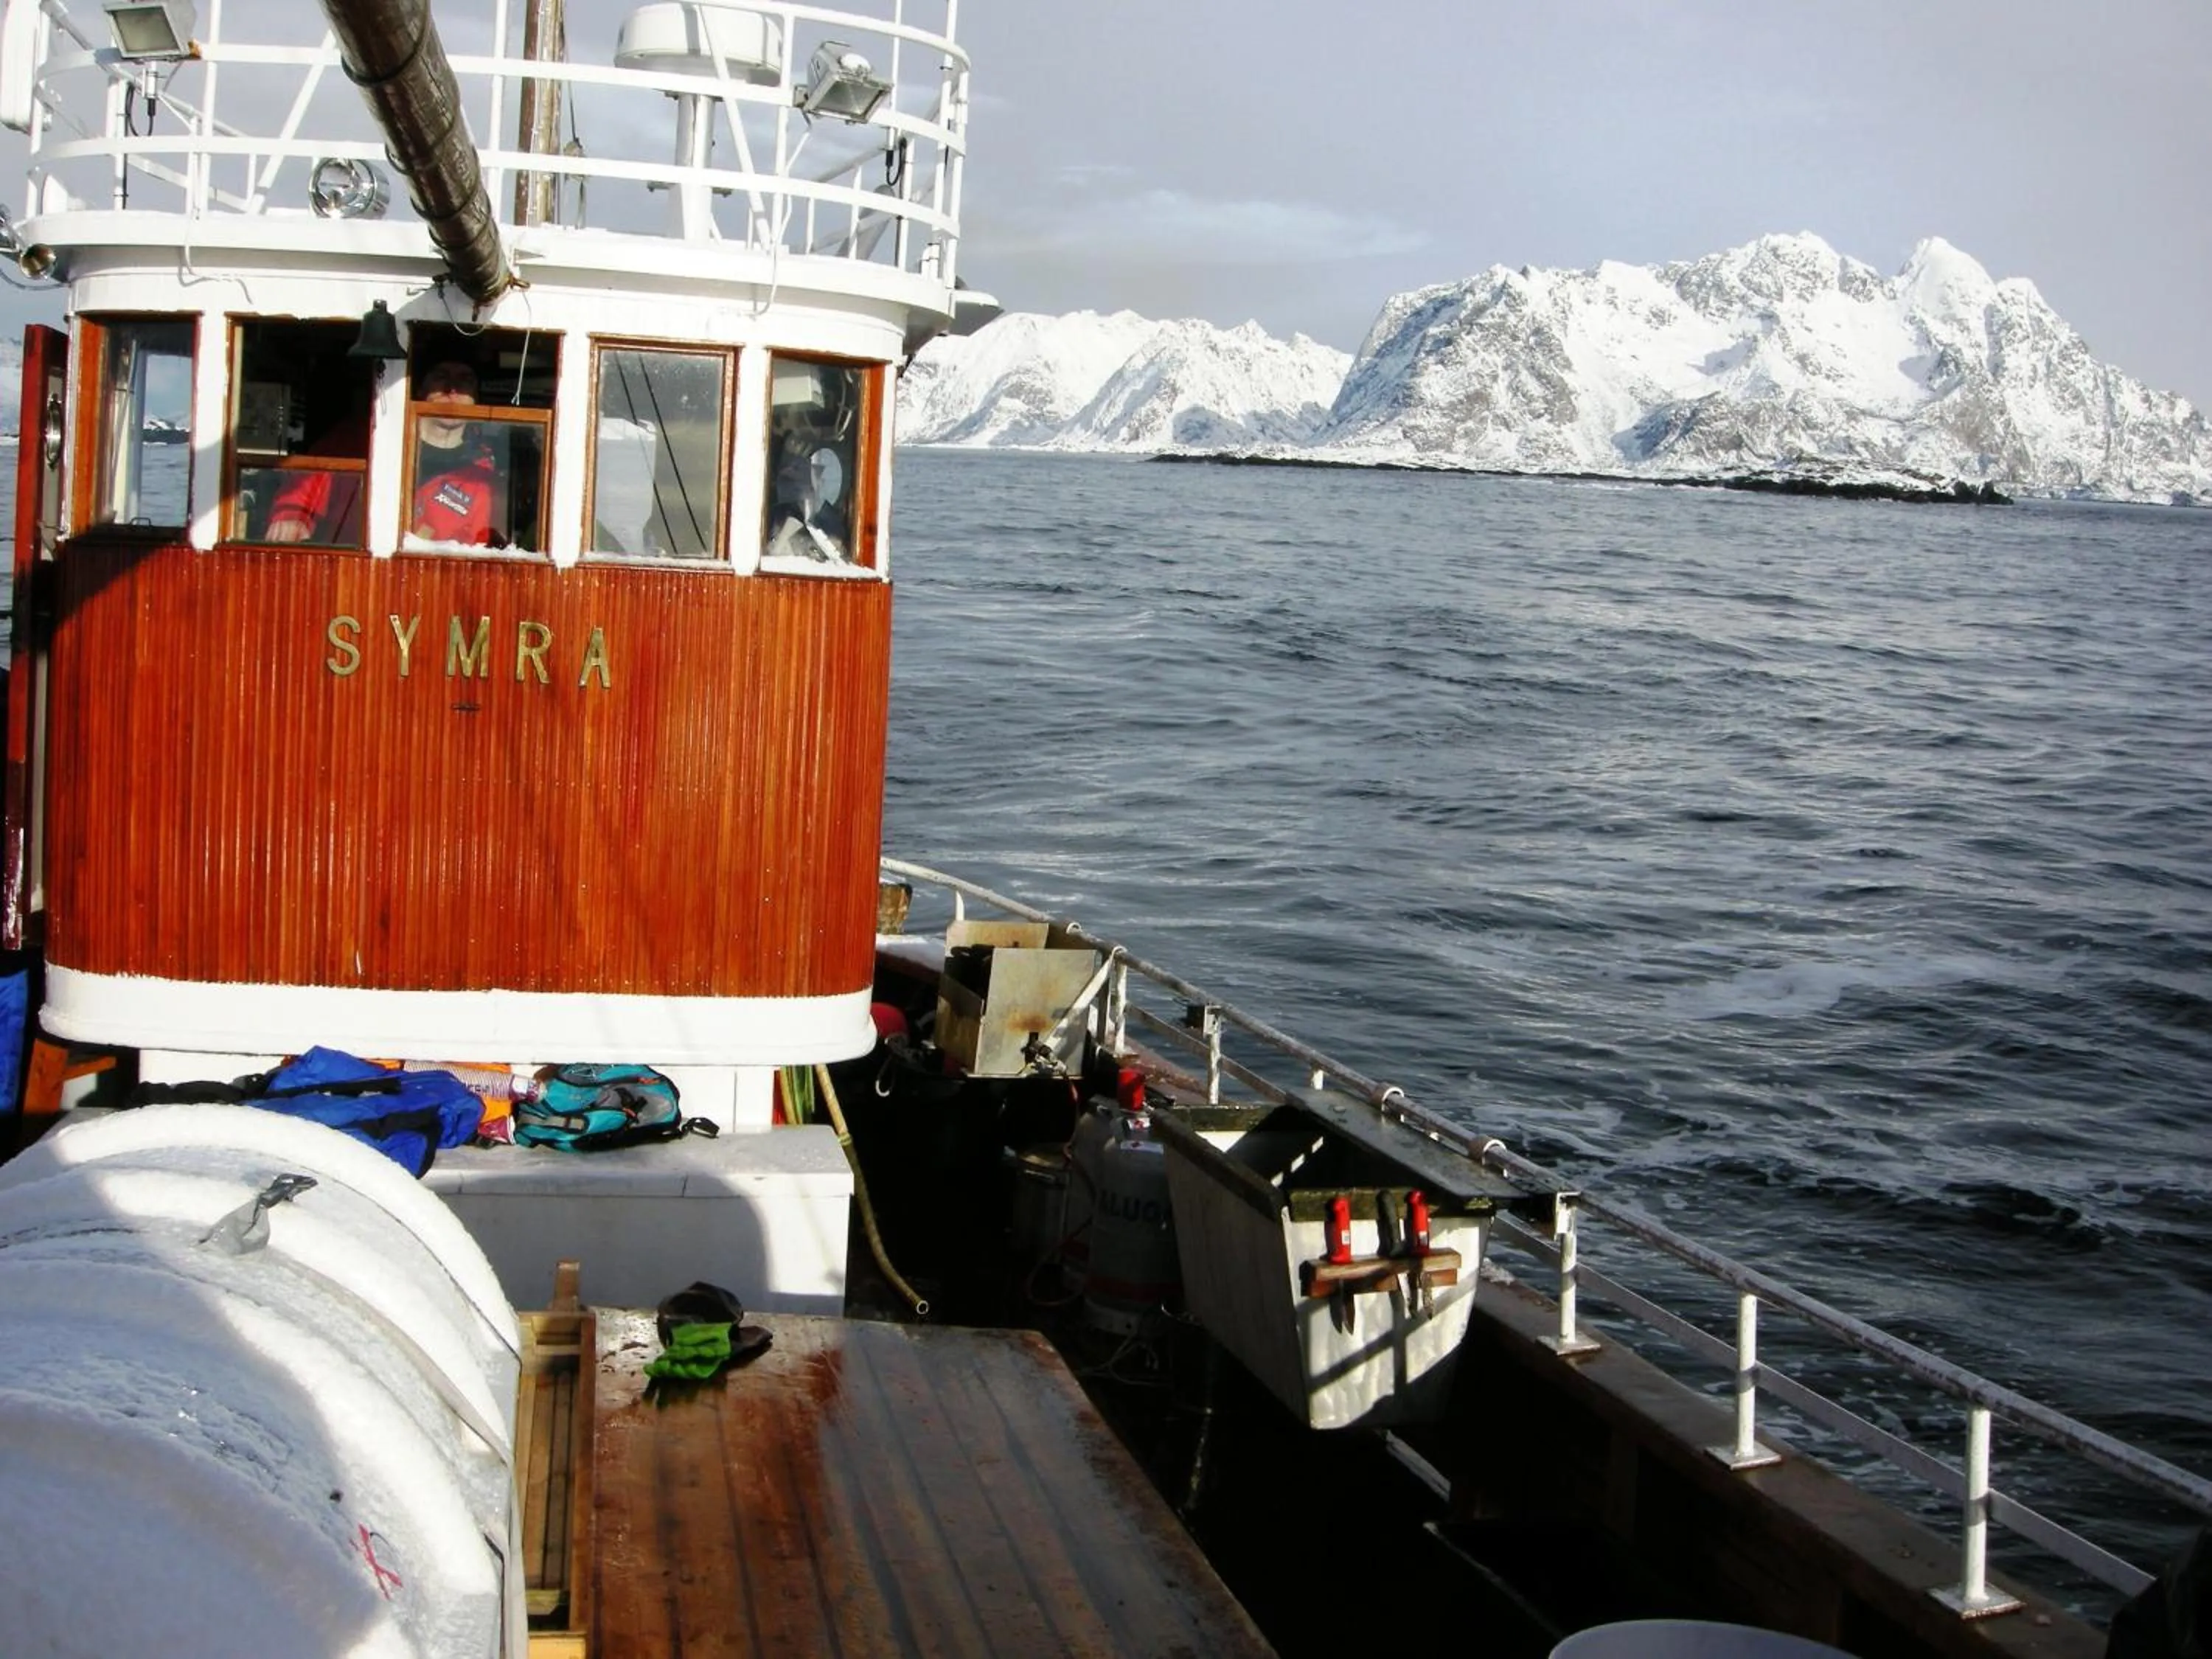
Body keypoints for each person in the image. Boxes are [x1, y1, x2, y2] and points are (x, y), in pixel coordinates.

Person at [408, 360, 505, 546]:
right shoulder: (388, 448)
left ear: (475, 399)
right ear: (420, 390)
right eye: (441, 377)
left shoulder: (483, 476)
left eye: (465, 381)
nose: (453, 390)